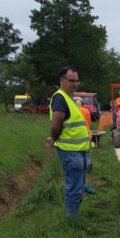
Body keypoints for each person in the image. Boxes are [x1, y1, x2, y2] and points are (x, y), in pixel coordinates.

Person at [45, 66, 91, 217]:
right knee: (74, 187)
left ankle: (74, 216)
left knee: (79, 185)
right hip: (70, 152)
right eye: (72, 80)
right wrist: (54, 137)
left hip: (78, 151)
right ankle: (72, 220)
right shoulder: (60, 98)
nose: (75, 84)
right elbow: (56, 124)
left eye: (77, 81)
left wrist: (53, 138)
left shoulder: (69, 99)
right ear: (62, 80)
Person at [74, 97, 96, 195]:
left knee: (77, 157)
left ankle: (79, 180)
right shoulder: (86, 111)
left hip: (75, 137)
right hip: (87, 135)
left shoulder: (72, 111)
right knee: (87, 156)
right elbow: (89, 122)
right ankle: (88, 170)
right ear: (82, 103)